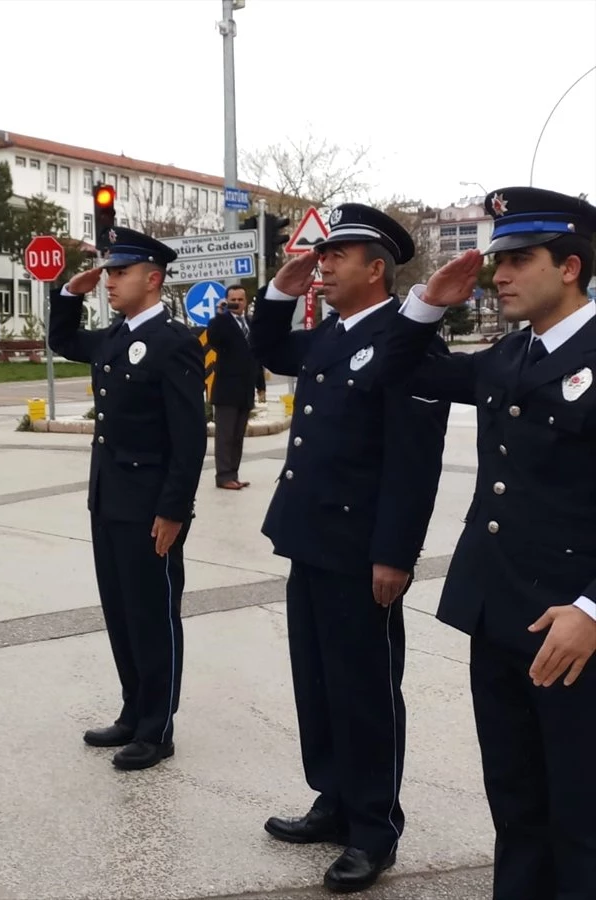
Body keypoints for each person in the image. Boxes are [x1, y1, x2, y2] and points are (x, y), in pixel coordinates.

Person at [379, 186, 596, 900]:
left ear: (570, 266)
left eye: (517, 259)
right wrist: (427, 304)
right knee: (514, 802)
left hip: (573, 630)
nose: (498, 274)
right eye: (496, 259)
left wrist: (592, 610)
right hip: (499, 614)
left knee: (580, 813)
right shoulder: (507, 358)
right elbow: (394, 373)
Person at [247, 203, 451, 893]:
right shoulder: (331, 334)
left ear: (376, 267)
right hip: (312, 539)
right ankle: (332, 800)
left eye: (338, 256)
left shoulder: (408, 340)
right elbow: (268, 351)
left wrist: (395, 553)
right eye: (322, 254)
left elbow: (413, 463)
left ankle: (373, 829)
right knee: (320, 683)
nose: (324, 264)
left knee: (365, 691)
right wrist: (282, 286)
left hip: (363, 550)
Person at [48, 227, 206, 771]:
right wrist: (70, 293)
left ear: (152, 278)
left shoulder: (175, 341)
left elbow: (189, 437)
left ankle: (157, 728)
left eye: (120, 272)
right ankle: (133, 709)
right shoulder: (114, 337)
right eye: (109, 271)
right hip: (109, 500)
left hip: (149, 509)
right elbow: (63, 342)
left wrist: (173, 511)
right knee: (120, 611)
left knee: (153, 614)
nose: (109, 281)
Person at [206, 284, 265, 489]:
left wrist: (261, 386)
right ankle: (223, 477)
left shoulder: (250, 323)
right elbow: (213, 338)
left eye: (240, 300)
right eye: (233, 300)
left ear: (245, 301)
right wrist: (220, 314)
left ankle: (234, 474)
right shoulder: (221, 322)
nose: (237, 303)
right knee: (225, 436)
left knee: (238, 436)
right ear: (227, 300)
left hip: (245, 390)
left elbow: (256, 356)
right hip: (226, 390)